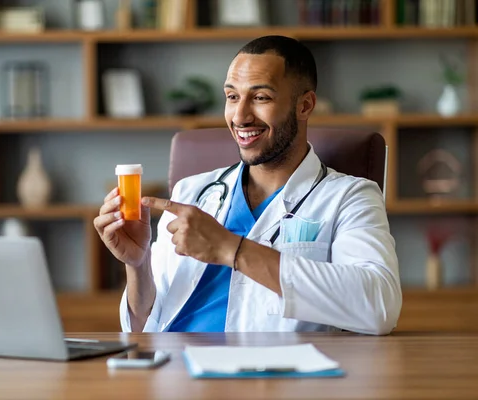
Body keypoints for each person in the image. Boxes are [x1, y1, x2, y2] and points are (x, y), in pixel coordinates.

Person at [94, 35, 402, 335]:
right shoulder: (191, 192)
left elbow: (378, 308)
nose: (239, 116)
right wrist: (137, 264)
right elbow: (143, 327)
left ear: (305, 106)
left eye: (261, 97)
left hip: (264, 377)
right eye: (232, 96)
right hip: (171, 372)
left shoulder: (350, 197)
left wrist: (231, 248)